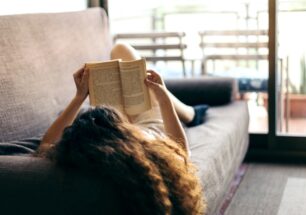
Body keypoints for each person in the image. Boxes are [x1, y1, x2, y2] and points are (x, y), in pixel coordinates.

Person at [36, 43, 207, 214]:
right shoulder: (149, 147)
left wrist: (79, 97)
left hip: (123, 125)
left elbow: (46, 145)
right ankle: (192, 114)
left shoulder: (94, 151)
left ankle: (188, 111)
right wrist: (163, 99)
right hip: (151, 122)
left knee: (120, 54)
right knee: (121, 50)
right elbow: (182, 150)